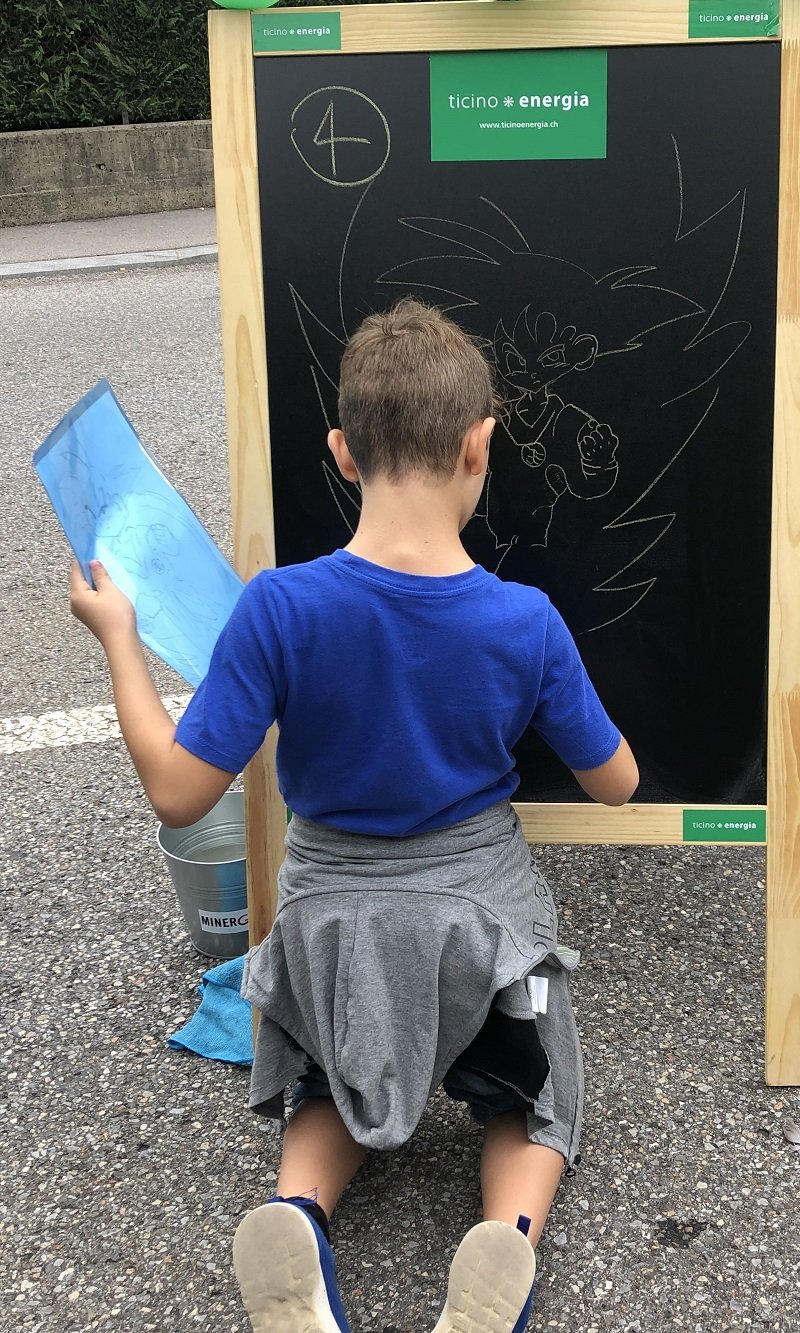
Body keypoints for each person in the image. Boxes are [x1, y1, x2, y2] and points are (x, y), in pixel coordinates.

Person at [69, 298, 639, 1333]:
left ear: (342, 452)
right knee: (534, 1099)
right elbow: (618, 783)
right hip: (478, 935)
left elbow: (177, 791)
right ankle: (504, 1236)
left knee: (326, 1092)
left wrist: (119, 634)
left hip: (331, 934)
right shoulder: (523, 620)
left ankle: (298, 1211)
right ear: (480, 446)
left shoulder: (278, 608)